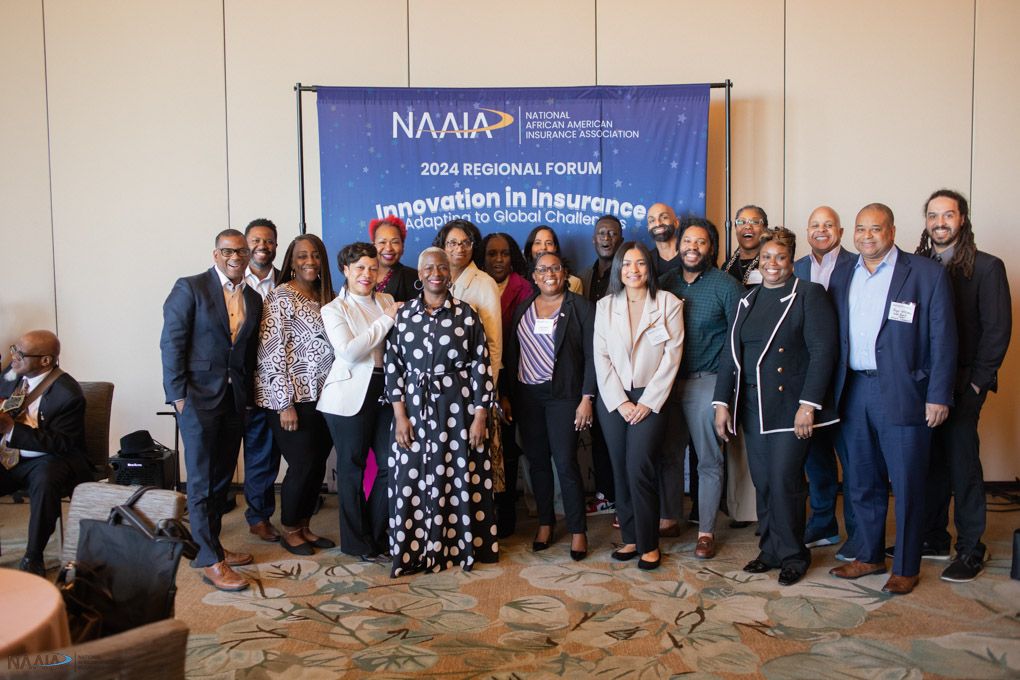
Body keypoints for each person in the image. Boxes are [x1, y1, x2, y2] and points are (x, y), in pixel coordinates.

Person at [828, 203, 956, 595]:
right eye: (860, 229)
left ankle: (905, 566)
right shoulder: (843, 274)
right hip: (853, 390)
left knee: (908, 483)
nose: (867, 236)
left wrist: (938, 395)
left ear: (892, 232)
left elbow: (944, 338)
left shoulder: (925, 274)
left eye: (876, 229)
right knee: (861, 480)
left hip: (904, 392)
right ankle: (868, 555)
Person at [712, 227, 839, 586]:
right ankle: (769, 549)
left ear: (791, 261)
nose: (772, 263)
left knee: (785, 482)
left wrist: (808, 405)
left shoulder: (808, 294)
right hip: (752, 405)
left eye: (780, 257)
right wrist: (722, 402)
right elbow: (730, 356)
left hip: (789, 406)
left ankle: (794, 554)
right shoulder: (747, 299)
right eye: (766, 257)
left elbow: (823, 352)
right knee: (764, 481)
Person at [913, 189, 1011, 582]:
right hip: (924, 384)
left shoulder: (987, 267)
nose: (940, 223)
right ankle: (934, 537)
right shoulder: (917, 266)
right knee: (931, 462)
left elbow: (997, 331)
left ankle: (971, 548)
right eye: (933, 216)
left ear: (963, 219)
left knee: (962, 464)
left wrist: (977, 386)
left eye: (948, 215)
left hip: (964, 384)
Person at [161, 229, 263, 591]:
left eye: (242, 252)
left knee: (221, 479)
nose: (236, 257)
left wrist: (247, 396)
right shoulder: (190, 287)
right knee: (202, 480)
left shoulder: (252, 297)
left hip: (233, 400)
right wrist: (177, 396)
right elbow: (172, 343)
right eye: (228, 251)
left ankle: (213, 544)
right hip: (196, 398)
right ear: (216, 254)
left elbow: (247, 352)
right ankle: (208, 560)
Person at [385, 248, 498, 576]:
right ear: (420, 274)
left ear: (450, 273)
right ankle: (414, 552)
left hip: (457, 409)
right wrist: (400, 416)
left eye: (442, 267)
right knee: (411, 477)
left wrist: (480, 415)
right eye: (429, 268)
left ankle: (459, 548)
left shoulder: (467, 314)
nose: (436, 273)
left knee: (456, 475)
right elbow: (393, 366)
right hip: (413, 410)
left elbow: (480, 365)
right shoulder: (404, 315)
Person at [593, 241, 684, 570]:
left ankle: (649, 543)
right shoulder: (605, 306)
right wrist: (620, 402)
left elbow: (672, 357)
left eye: (641, 263)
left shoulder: (668, 303)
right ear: (619, 269)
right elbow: (601, 357)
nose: (634, 270)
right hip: (615, 399)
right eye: (627, 263)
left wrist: (647, 401)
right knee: (620, 468)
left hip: (651, 396)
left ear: (650, 267)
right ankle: (630, 538)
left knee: (639, 467)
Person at [659, 218, 744, 559]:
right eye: (687, 241)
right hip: (667, 383)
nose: (692, 248)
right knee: (668, 455)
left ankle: (706, 531)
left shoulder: (726, 286)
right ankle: (669, 517)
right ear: (678, 246)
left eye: (701, 242)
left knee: (708, 459)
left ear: (711, 248)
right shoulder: (664, 282)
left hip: (706, 380)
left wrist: (724, 397)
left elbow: (736, 344)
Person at [504, 251, 595, 560]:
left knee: (566, 463)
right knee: (537, 462)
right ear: (534, 276)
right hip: (528, 396)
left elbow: (593, 356)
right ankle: (545, 523)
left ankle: (578, 530)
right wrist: (508, 394)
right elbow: (512, 353)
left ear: (564, 272)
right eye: (542, 270)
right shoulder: (524, 307)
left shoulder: (580, 307)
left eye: (555, 268)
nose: (549, 274)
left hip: (564, 396)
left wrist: (586, 398)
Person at [255, 234, 336, 556]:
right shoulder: (280, 296)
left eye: (315, 255)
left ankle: (304, 526)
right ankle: (289, 529)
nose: (310, 262)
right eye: (302, 256)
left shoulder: (327, 297)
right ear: (291, 260)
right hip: (292, 399)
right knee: (302, 465)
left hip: (325, 397)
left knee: (317, 465)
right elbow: (270, 352)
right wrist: (283, 404)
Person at [319, 242, 401, 560]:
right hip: (349, 395)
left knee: (391, 464)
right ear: (346, 270)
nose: (367, 274)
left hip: (385, 389)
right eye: (360, 268)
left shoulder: (387, 300)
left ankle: (377, 535)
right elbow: (350, 352)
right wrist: (386, 320)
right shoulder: (334, 309)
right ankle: (356, 543)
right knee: (352, 470)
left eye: (372, 268)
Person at [792, 206, 858, 557]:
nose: (821, 230)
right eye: (815, 225)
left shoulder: (858, 265)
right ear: (807, 231)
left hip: (850, 379)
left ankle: (859, 535)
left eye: (828, 225)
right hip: (812, 380)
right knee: (816, 459)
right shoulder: (796, 268)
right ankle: (823, 524)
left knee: (856, 460)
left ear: (841, 231)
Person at [0, 331, 89, 576]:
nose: (13, 357)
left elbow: (61, 443)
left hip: (49, 458)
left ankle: (33, 556)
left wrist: (10, 428)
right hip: (8, 454)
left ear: (45, 361)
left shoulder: (68, 394)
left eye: (20, 354)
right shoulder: (13, 372)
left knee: (45, 480)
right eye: (13, 349)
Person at [720, 205, 769, 529]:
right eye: (742, 221)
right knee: (735, 433)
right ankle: (739, 507)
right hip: (733, 352)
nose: (747, 227)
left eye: (755, 222)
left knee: (760, 438)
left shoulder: (771, 261)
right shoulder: (728, 263)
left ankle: (762, 510)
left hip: (762, 355)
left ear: (764, 227)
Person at [481, 232, 531, 537]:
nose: (498, 260)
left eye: (504, 253)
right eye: (492, 254)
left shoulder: (524, 288)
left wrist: (505, 392)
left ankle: (507, 514)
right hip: (479, 379)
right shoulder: (474, 285)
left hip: (514, 378)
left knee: (508, 449)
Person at [578, 215, 624, 516]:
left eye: (612, 233)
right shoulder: (583, 277)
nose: (606, 238)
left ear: (621, 239)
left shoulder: (628, 272)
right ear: (594, 239)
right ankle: (607, 494)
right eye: (601, 233)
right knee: (598, 435)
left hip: (620, 365)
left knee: (620, 437)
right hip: (591, 363)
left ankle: (624, 499)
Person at [241, 218, 283, 543]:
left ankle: (260, 516)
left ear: (276, 246)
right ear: (246, 244)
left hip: (275, 380)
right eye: (256, 240)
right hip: (237, 379)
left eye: (268, 241)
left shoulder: (288, 281)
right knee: (243, 451)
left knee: (265, 452)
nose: (262, 246)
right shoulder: (231, 281)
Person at [370, 214, 419, 302]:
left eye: (395, 242)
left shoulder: (414, 277)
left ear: (402, 246)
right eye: (382, 242)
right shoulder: (362, 275)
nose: (388, 248)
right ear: (373, 246)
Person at [524, 225, 584, 294]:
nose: (543, 247)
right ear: (530, 247)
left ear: (555, 248)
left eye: (549, 243)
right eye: (537, 243)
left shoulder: (573, 283)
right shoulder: (520, 280)